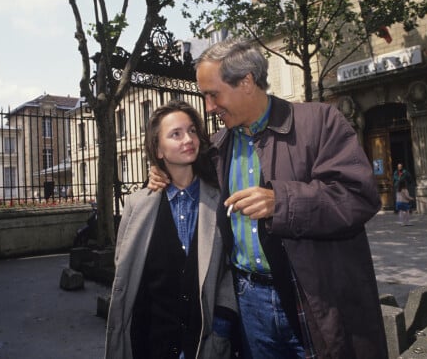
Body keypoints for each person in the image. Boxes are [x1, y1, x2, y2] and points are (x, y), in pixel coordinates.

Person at [149, 39, 388, 359]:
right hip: (248, 303)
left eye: (213, 94)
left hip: (312, 299)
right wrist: (159, 171)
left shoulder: (321, 122)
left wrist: (281, 202)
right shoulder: (218, 147)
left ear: (246, 82)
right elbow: (187, 176)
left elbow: (359, 196)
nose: (208, 107)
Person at [104, 101, 238, 359]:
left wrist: (223, 322)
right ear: (158, 150)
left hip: (205, 341)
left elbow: (232, 266)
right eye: (175, 134)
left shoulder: (221, 199)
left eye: (192, 130)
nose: (188, 139)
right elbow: (125, 268)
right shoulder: (137, 204)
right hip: (152, 342)